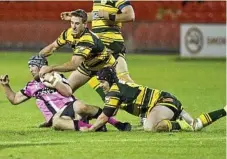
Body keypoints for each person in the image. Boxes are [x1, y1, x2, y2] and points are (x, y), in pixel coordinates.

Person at [0, 55, 131, 131]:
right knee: (56, 123)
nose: (30, 69)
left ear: (41, 66)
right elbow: (15, 99)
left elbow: (68, 92)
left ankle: (117, 124)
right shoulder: (32, 86)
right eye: (29, 66)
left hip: (71, 108)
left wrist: (51, 80)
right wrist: (5, 85)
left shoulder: (56, 76)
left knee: (81, 106)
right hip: (58, 118)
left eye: (32, 66)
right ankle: (94, 127)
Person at [80, 67, 226, 132]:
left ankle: (181, 125)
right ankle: (225, 110)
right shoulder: (118, 86)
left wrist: (91, 129)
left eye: (102, 82)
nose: (101, 85)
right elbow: (112, 111)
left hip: (163, 102)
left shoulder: (114, 91)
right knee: (196, 125)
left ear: (109, 81)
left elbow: (105, 117)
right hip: (166, 101)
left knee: (149, 128)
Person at [39, 9, 117, 95]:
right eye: (72, 23)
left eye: (77, 23)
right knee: (64, 92)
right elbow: (52, 47)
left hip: (105, 66)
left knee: (112, 98)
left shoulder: (87, 39)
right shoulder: (68, 33)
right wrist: (38, 58)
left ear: (85, 24)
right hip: (87, 67)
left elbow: (74, 64)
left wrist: (51, 68)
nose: (73, 27)